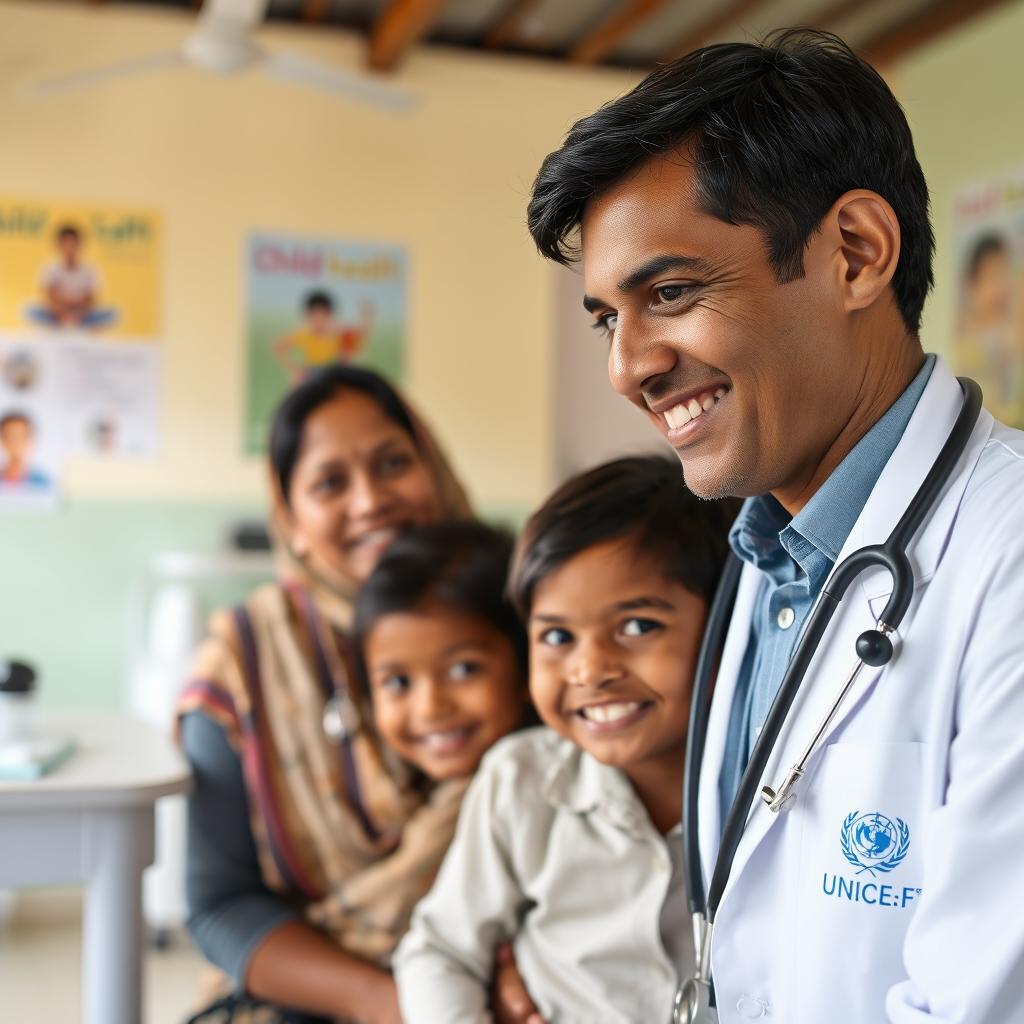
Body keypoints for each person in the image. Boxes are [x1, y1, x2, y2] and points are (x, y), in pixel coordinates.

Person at [524, 26, 1024, 1024]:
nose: (627, 367)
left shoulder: (1002, 557)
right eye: (605, 319)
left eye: (670, 293)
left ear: (854, 253)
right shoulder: (759, 545)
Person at [393, 457, 736, 1023]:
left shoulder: (770, 788)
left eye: (638, 626)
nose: (590, 670)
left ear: (723, 624)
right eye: (557, 636)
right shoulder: (521, 780)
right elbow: (441, 950)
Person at [178, 364, 471, 1024]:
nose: (370, 501)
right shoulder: (245, 663)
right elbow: (220, 905)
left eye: (394, 462)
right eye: (330, 483)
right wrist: (390, 1004)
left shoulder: (521, 619)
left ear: (436, 469)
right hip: (306, 1000)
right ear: (292, 519)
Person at [27, 224, 117, 330]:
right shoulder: (49, 268)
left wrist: (76, 315)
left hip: (83, 316)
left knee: (111, 313)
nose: (69, 248)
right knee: (31, 310)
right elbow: (49, 296)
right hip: (56, 315)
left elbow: (91, 298)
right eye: (65, 243)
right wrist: (63, 314)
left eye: (73, 243)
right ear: (58, 245)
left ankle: (80, 328)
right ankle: (60, 327)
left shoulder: (90, 269)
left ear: (80, 245)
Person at [274, 290, 374, 383]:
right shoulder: (304, 334)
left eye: (322, 315)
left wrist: (366, 315)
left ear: (329, 315)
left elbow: (361, 332)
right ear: (308, 315)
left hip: (335, 373)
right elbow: (279, 346)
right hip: (312, 373)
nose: (318, 320)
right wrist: (293, 369)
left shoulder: (339, 332)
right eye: (314, 315)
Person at [0, 412, 50, 488]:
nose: (16, 443)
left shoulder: (42, 483)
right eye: (10, 436)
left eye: (21, 436)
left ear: (31, 440)